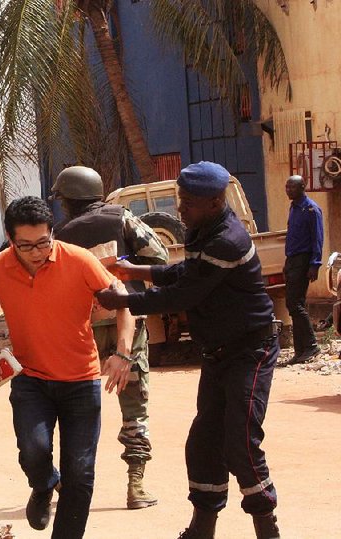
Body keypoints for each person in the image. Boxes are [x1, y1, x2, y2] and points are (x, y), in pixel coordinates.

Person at [96, 162, 282, 539]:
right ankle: (202, 528)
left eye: (189, 203)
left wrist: (125, 299)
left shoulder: (227, 239)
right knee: (202, 443)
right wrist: (137, 272)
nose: (180, 210)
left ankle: (267, 527)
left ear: (215, 202)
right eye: (181, 201)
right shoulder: (203, 229)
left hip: (250, 351)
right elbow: (185, 272)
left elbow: (186, 294)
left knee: (241, 441)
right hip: (218, 353)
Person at [0, 196, 135, 539]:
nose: (38, 252)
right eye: (26, 246)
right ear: (11, 241)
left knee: (81, 474)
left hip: (81, 382)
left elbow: (123, 303)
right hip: (31, 381)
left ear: (52, 233)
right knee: (34, 451)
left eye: (44, 241)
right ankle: (43, 485)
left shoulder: (80, 260)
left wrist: (123, 354)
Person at [51, 165, 168, 510]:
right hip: (126, 324)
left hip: (80, 330)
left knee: (77, 409)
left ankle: (72, 485)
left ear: (69, 200)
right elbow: (159, 256)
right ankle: (136, 486)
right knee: (134, 405)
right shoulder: (123, 219)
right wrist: (122, 266)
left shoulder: (59, 233)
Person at [284, 174, 324, 365]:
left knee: (296, 304)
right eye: (287, 187)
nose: (288, 190)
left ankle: (310, 345)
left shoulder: (311, 209)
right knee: (292, 305)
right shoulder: (294, 208)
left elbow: (317, 239)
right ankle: (300, 351)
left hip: (303, 261)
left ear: (302, 187)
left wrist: (314, 265)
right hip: (292, 260)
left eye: (292, 187)